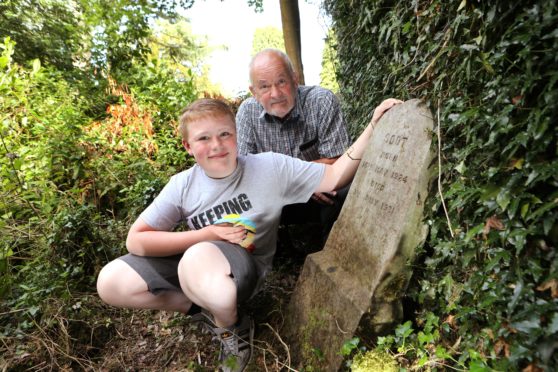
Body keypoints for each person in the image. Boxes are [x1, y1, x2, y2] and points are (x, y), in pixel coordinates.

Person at [96, 97, 401, 372]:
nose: (216, 145)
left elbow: (335, 176)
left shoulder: (269, 168)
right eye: (203, 138)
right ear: (188, 147)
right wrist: (205, 234)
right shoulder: (182, 185)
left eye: (224, 134)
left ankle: (233, 328)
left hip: (241, 270)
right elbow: (136, 239)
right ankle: (197, 309)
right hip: (198, 262)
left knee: (199, 258)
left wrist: (373, 126)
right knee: (111, 282)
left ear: (236, 136)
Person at [236, 48, 351, 249]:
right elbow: (243, 172)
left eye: (282, 82)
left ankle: (331, 252)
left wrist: (309, 180)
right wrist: (304, 179)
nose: (276, 94)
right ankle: (259, 256)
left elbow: (338, 160)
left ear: (294, 79)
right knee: (238, 201)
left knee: (342, 190)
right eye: (264, 87)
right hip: (272, 196)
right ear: (254, 92)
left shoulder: (321, 101)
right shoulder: (247, 113)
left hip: (318, 194)